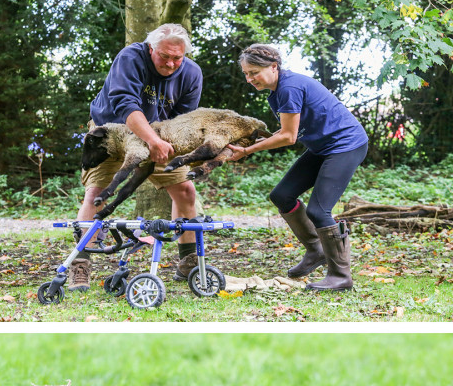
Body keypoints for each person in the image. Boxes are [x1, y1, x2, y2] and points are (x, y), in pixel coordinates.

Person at [72, 23, 203, 291]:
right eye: (164, 56)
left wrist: (170, 146)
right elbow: (125, 104)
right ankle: (80, 266)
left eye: (177, 58)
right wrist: (152, 139)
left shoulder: (191, 73)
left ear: (185, 55)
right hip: (110, 131)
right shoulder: (131, 57)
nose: (170, 64)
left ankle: (188, 262)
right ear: (150, 48)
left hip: (157, 135)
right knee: (96, 193)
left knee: (186, 191)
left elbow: (183, 120)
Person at [228, 44, 368, 291]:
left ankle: (341, 276)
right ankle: (316, 250)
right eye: (246, 74)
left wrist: (248, 151)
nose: (250, 79)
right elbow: (285, 131)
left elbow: (289, 137)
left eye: (254, 72)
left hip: (346, 145)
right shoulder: (278, 89)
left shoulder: (289, 87)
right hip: (322, 147)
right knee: (282, 195)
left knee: (319, 210)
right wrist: (255, 141)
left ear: (274, 67)